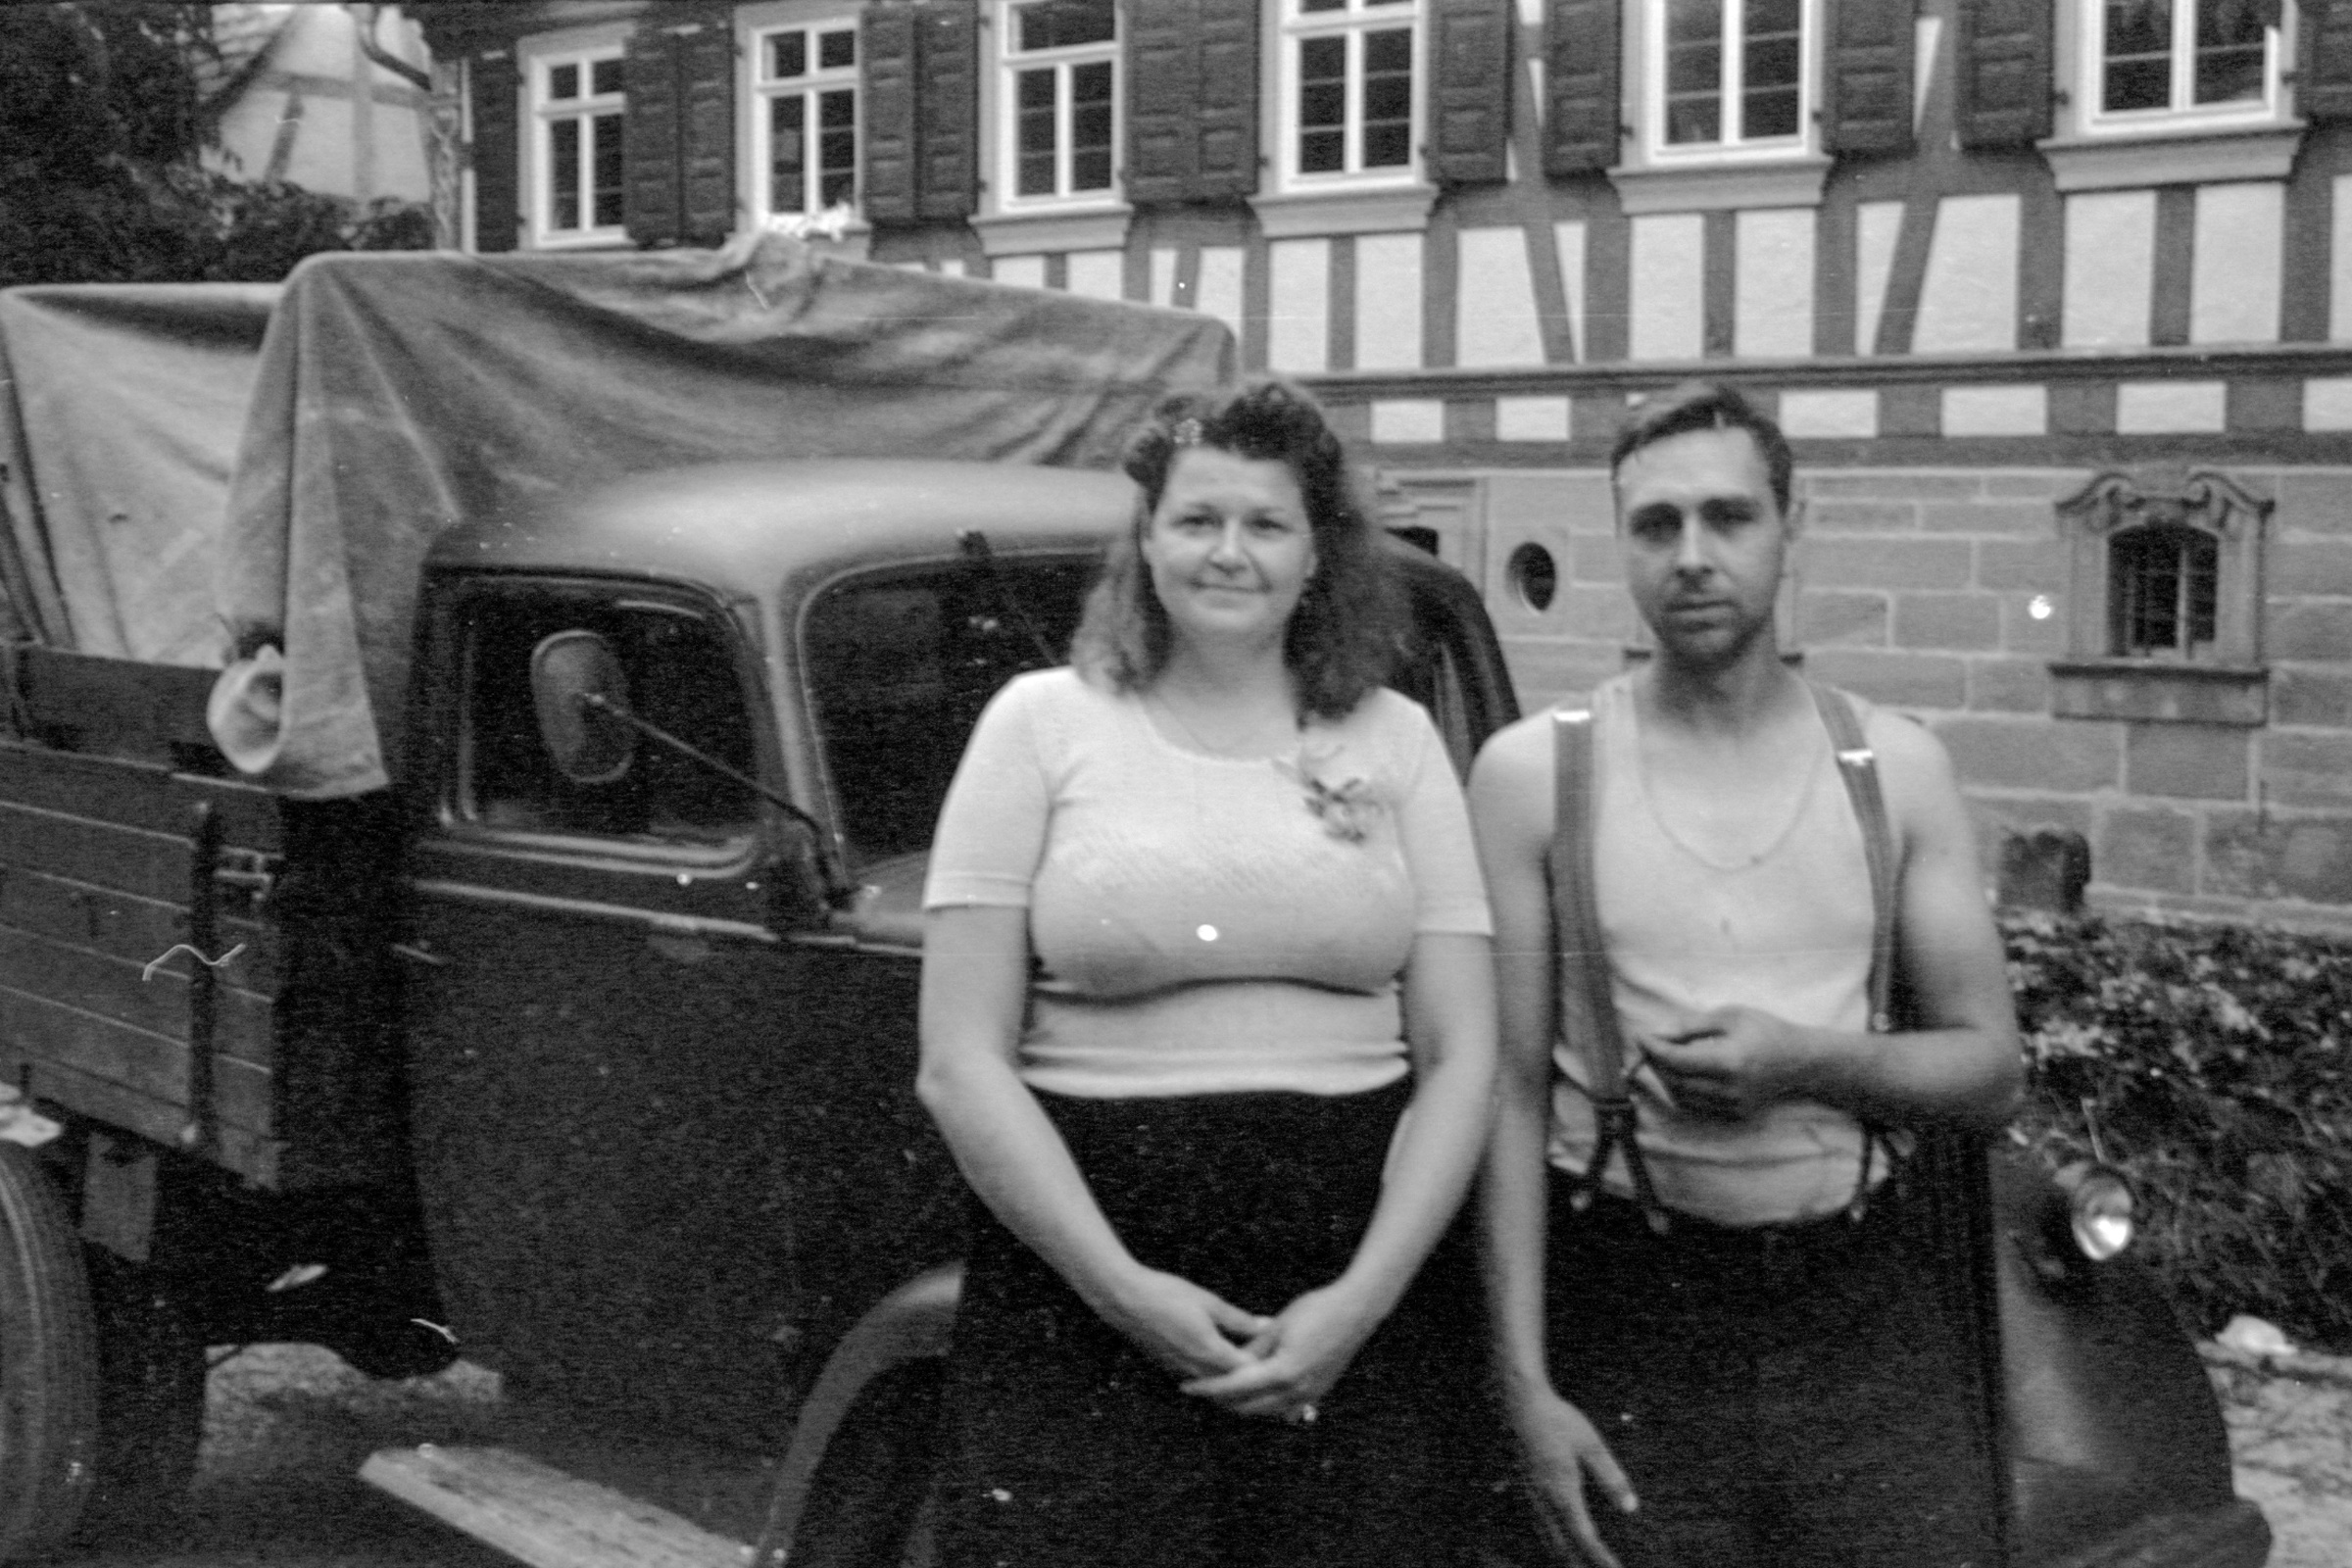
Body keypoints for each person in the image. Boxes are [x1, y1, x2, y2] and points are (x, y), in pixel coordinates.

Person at [916, 377, 1498, 1568]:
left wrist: (1362, 1300)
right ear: (1146, 537)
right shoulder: (1037, 724)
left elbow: (1463, 1054)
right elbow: (958, 1061)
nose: (1229, 551)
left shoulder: (1395, 737)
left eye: (1267, 523)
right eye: (1197, 519)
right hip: (1084, 1279)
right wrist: (1125, 1291)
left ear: (1317, 552)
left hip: (1351, 1280)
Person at [1467, 381, 2025, 1568]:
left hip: (1861, 1318)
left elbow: (1991, 1072)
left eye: (1728, 516)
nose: (1692, 556)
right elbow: (1507, 1095)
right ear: (1620, 540)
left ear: (1789, 524)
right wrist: (1524, 1386)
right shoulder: (1531, 777)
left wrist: (1805, 1060)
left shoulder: (1893, 768)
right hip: (1631, 1317)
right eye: (1655, 525)